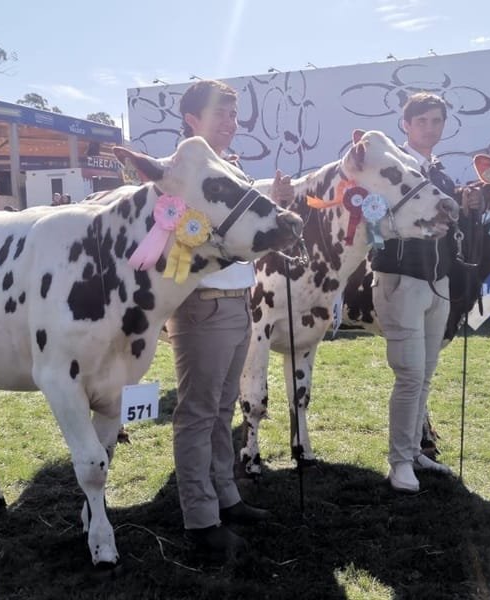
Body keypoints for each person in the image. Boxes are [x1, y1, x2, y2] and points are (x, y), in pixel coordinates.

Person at [165, 79, 293, 561]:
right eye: (219, 113)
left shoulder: (230, 171)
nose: (230, 122)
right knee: (198, 413)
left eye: (234, 114)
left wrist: (277, 203)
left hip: (239, 299)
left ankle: (225, 495)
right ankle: (201, 518)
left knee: (221, 409)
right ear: (191, 120)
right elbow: (181, 244)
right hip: (202, 303)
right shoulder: (179, 176)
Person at [372, 91, 478, 492]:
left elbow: (453, 233)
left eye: (436, 121)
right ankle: (399, 462)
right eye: (422, 121)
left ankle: (414, 450)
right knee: (410, 375)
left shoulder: (442, 175)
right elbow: (372, 225)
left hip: (439, 283)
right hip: (401, 280)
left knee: (426, 375)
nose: (430, 129)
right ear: (406, 125)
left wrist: (467, 206)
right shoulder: (391, 170)